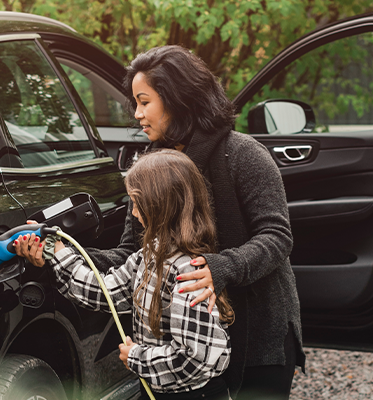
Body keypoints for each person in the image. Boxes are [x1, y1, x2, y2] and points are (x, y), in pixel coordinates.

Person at [87, 45, 305, 399]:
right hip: (189, 347)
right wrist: (62, 253)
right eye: (135, 104)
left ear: (177, 98)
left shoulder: (244, 154)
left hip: (259, 335)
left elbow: (277, 236)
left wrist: (222, 267)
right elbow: (131, 252)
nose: (138, 114)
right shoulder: (151, 170)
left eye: (145, 101)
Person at [16, 150, 234, 399]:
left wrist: (137, 357)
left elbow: (198, 357)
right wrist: (57, 251)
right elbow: (104, 292)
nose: (133, 213)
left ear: (158, 205)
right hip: (157, 388)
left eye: (136, 203)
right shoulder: (148, 255)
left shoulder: (187, 271)